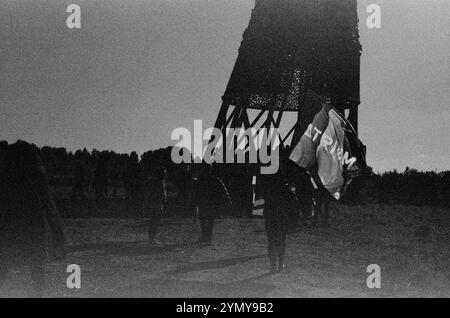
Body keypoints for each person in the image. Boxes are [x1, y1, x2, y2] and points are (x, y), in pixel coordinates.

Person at [0, 141, 66, 297]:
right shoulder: (35, 174)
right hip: (33, 228)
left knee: (3, 265)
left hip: (8, 228)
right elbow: (48, 205)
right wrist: (59, 238)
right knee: (37, 268)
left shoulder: (5, 173)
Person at [189, 163, 232, 245]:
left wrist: (193, 204)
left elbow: (194, 193)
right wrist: (227, 201)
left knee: (203, 220)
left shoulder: (199, 180)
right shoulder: (215, 180)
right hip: (212, 203)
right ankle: (208, 236)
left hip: (203, 203)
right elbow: (223, 191)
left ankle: (204, 236)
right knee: (210, 220)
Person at [143, 166, 168, 245]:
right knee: (155, 220)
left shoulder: (158, 181)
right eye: (164, 173)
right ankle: (151, 238)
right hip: (155, 203)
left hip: (156, 203)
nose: (165, 174)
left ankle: (151, 237)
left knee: (154, 220)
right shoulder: (156, 182)